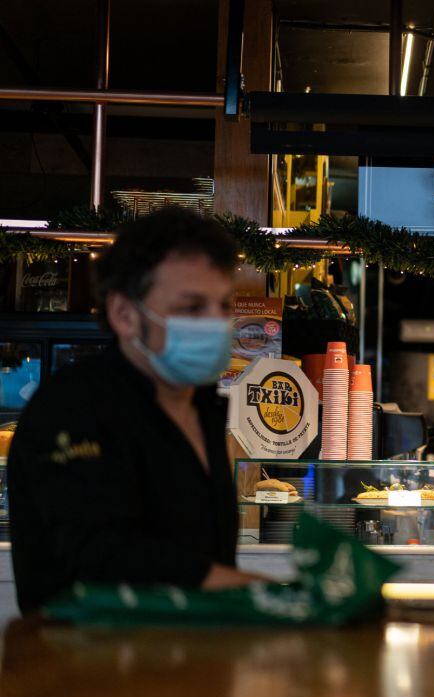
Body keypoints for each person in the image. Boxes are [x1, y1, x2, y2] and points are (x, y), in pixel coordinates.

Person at [7, 207, 263, 614]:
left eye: (223, 306)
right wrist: (262, 593)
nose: (216, 323)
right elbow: (100, 556)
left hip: (190, 664)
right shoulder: (71, 407)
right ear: (125, 314)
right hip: (79, 667)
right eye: (192, 308)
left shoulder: (204, 405)